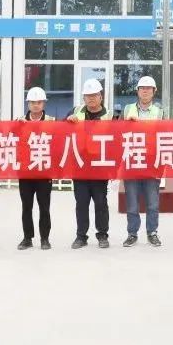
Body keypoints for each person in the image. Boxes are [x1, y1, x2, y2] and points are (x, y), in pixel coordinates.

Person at [67, 78, 110, 249]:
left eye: (94, 95)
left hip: (100, 167)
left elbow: (116, 142)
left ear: (101, 96)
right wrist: (67, 121)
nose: (91, 98)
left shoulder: (110, 116)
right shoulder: (75, 112)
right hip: (80, 167)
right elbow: (61, 132)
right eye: (88, 95)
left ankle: (102, 235)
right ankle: (81, 236)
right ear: (83, 97)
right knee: (81, 204)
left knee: (101, 203)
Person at [122, 75, 163, 247]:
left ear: (154, 91)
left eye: (148, 88)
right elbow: (119, 132)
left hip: (151, 162)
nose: (145, 91)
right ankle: (132, 233)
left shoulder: (160, 112)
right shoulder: (127, 109)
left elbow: (164, 135)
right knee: (132, 202)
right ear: (137, 91)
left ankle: (152, 232)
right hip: (132, 161)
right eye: (142, 88)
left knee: (152, 202)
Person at [17, 86, 54, 251]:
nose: (36, 105)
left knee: (44, 207)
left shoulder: (51, 121)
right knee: (26, 207)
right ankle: (27, 238)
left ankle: (45, 238)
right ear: (28, 104)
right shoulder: (19, 122)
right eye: (32, 102)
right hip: (25, 172)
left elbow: (58, 143)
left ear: (44, 103)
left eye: (39, 102)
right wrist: (17, 128)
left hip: (44, 172)